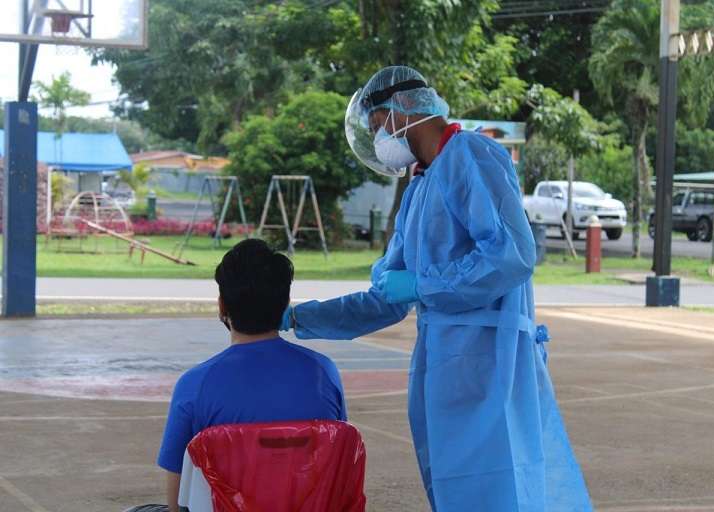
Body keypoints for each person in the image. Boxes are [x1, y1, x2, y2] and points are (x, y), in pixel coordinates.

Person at [282, 66, 592, 511]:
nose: (379, 142)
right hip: (443, 364)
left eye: (377, 127)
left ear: (402, 112)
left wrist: (424, 284)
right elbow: (387, 298)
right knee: (455, 490)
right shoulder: (420, 188)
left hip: (490, 361)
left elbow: (512, 254)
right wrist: (300, 317)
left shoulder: (471, 155)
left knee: (500, 487)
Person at [128, 239, 346, 512]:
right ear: (285, 307)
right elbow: (335, 454)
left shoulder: (194, 385)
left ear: (222, 307)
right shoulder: (324, 373)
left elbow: (177, 502)